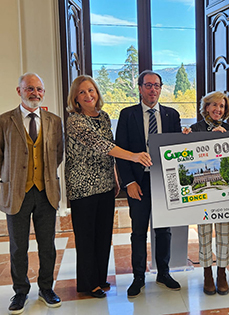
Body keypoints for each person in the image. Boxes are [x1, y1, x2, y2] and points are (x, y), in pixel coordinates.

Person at [65, 75, 152, 299]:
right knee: (86, 235)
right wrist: (133, 156)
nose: (88, 95)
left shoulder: (103, 117)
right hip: (82, 186)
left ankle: (100, 278)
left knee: (103, 234)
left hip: (105, 184)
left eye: (91, 90)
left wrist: (115, 178)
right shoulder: (74, 120)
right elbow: (102, 145)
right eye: (82, 92)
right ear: (75, 97)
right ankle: (87, 283)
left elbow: (109, 153)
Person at [0, 73, 63, 314]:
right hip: (16, 192)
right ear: (19, 91)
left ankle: (46, 288)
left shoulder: (54, 121)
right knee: (18, 246)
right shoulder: (5, 121)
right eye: (29, 89)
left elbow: (58, 154)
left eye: (39, 89)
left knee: (47, 244)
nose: (35, 93)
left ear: (43, 92)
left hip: (46, 191)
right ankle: (20, 292)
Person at [116, 70, 182, 298]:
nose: (152, 89)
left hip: (164, 181)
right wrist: (129, 182)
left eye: (156, 85)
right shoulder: (127, 115)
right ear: (140, 88)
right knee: (138, 231)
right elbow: (121, 153)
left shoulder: (172, 115)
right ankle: (138, 277)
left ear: (161, 88)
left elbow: (178, 150)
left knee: (164, 230)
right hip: (139, 181)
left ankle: (163, 272)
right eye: (148, 85)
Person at [183, 91, 229, 295]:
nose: (218, 109)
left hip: (224, 194)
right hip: (203, 194)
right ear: (206, 107)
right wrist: (184, 137)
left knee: (223, 233)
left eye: (221, 106)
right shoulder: (194, 129)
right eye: (214, 105)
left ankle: (221, 273)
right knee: (204, 233)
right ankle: (206, 274)